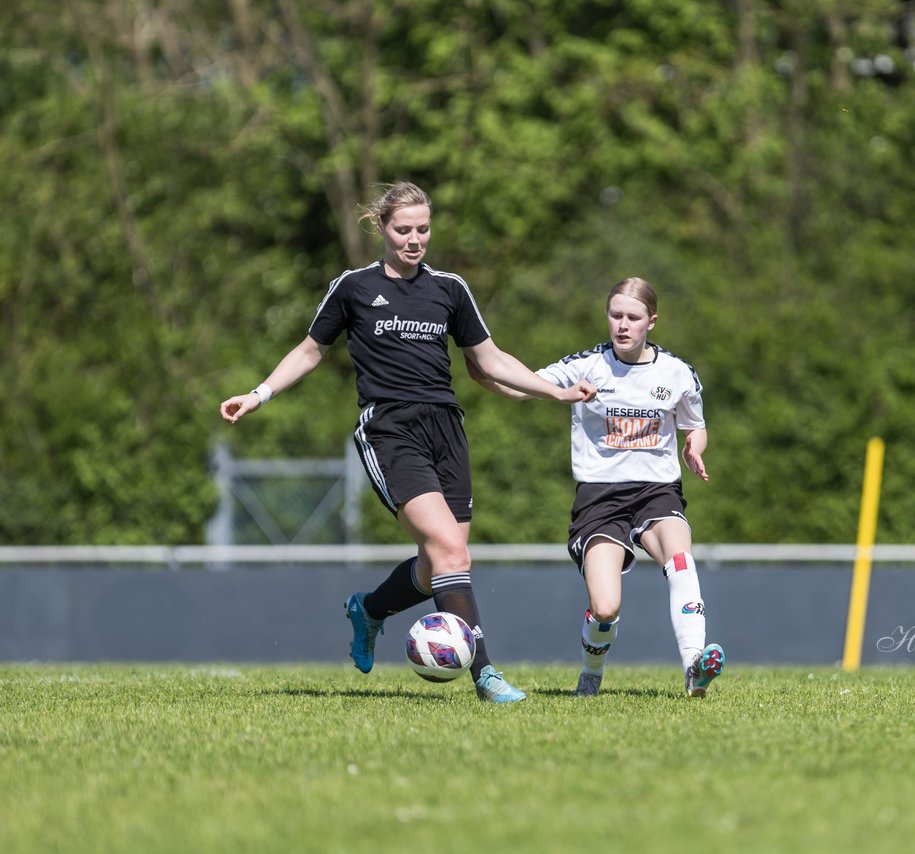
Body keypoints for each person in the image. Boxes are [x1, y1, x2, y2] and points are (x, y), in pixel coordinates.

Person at [219, 181, 595, 703]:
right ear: (381, 228)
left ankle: (369, 610)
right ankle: (485, 674)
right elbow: (310, 351)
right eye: (403, 230)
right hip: (389, 428)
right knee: (449, 549)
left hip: (446, 428)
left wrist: (556, 392)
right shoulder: (353, 286)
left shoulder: (450, 289)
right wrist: (259, 394)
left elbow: (489, 359)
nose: (414, 240)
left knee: (440, 561)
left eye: (423, 229)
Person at [470, 277, 724, 698]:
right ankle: (591, 672)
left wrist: (694, 448)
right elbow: (525, 387)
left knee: (680, 559)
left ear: (652, 322)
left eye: (633, 317)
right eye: (616, 315)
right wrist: (482, 373)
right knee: (606, 607)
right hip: (600, 498)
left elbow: (695, 426)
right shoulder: (586, 365)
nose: (622, 325)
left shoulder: (677, 373)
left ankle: (693, 665)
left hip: (656, 490)